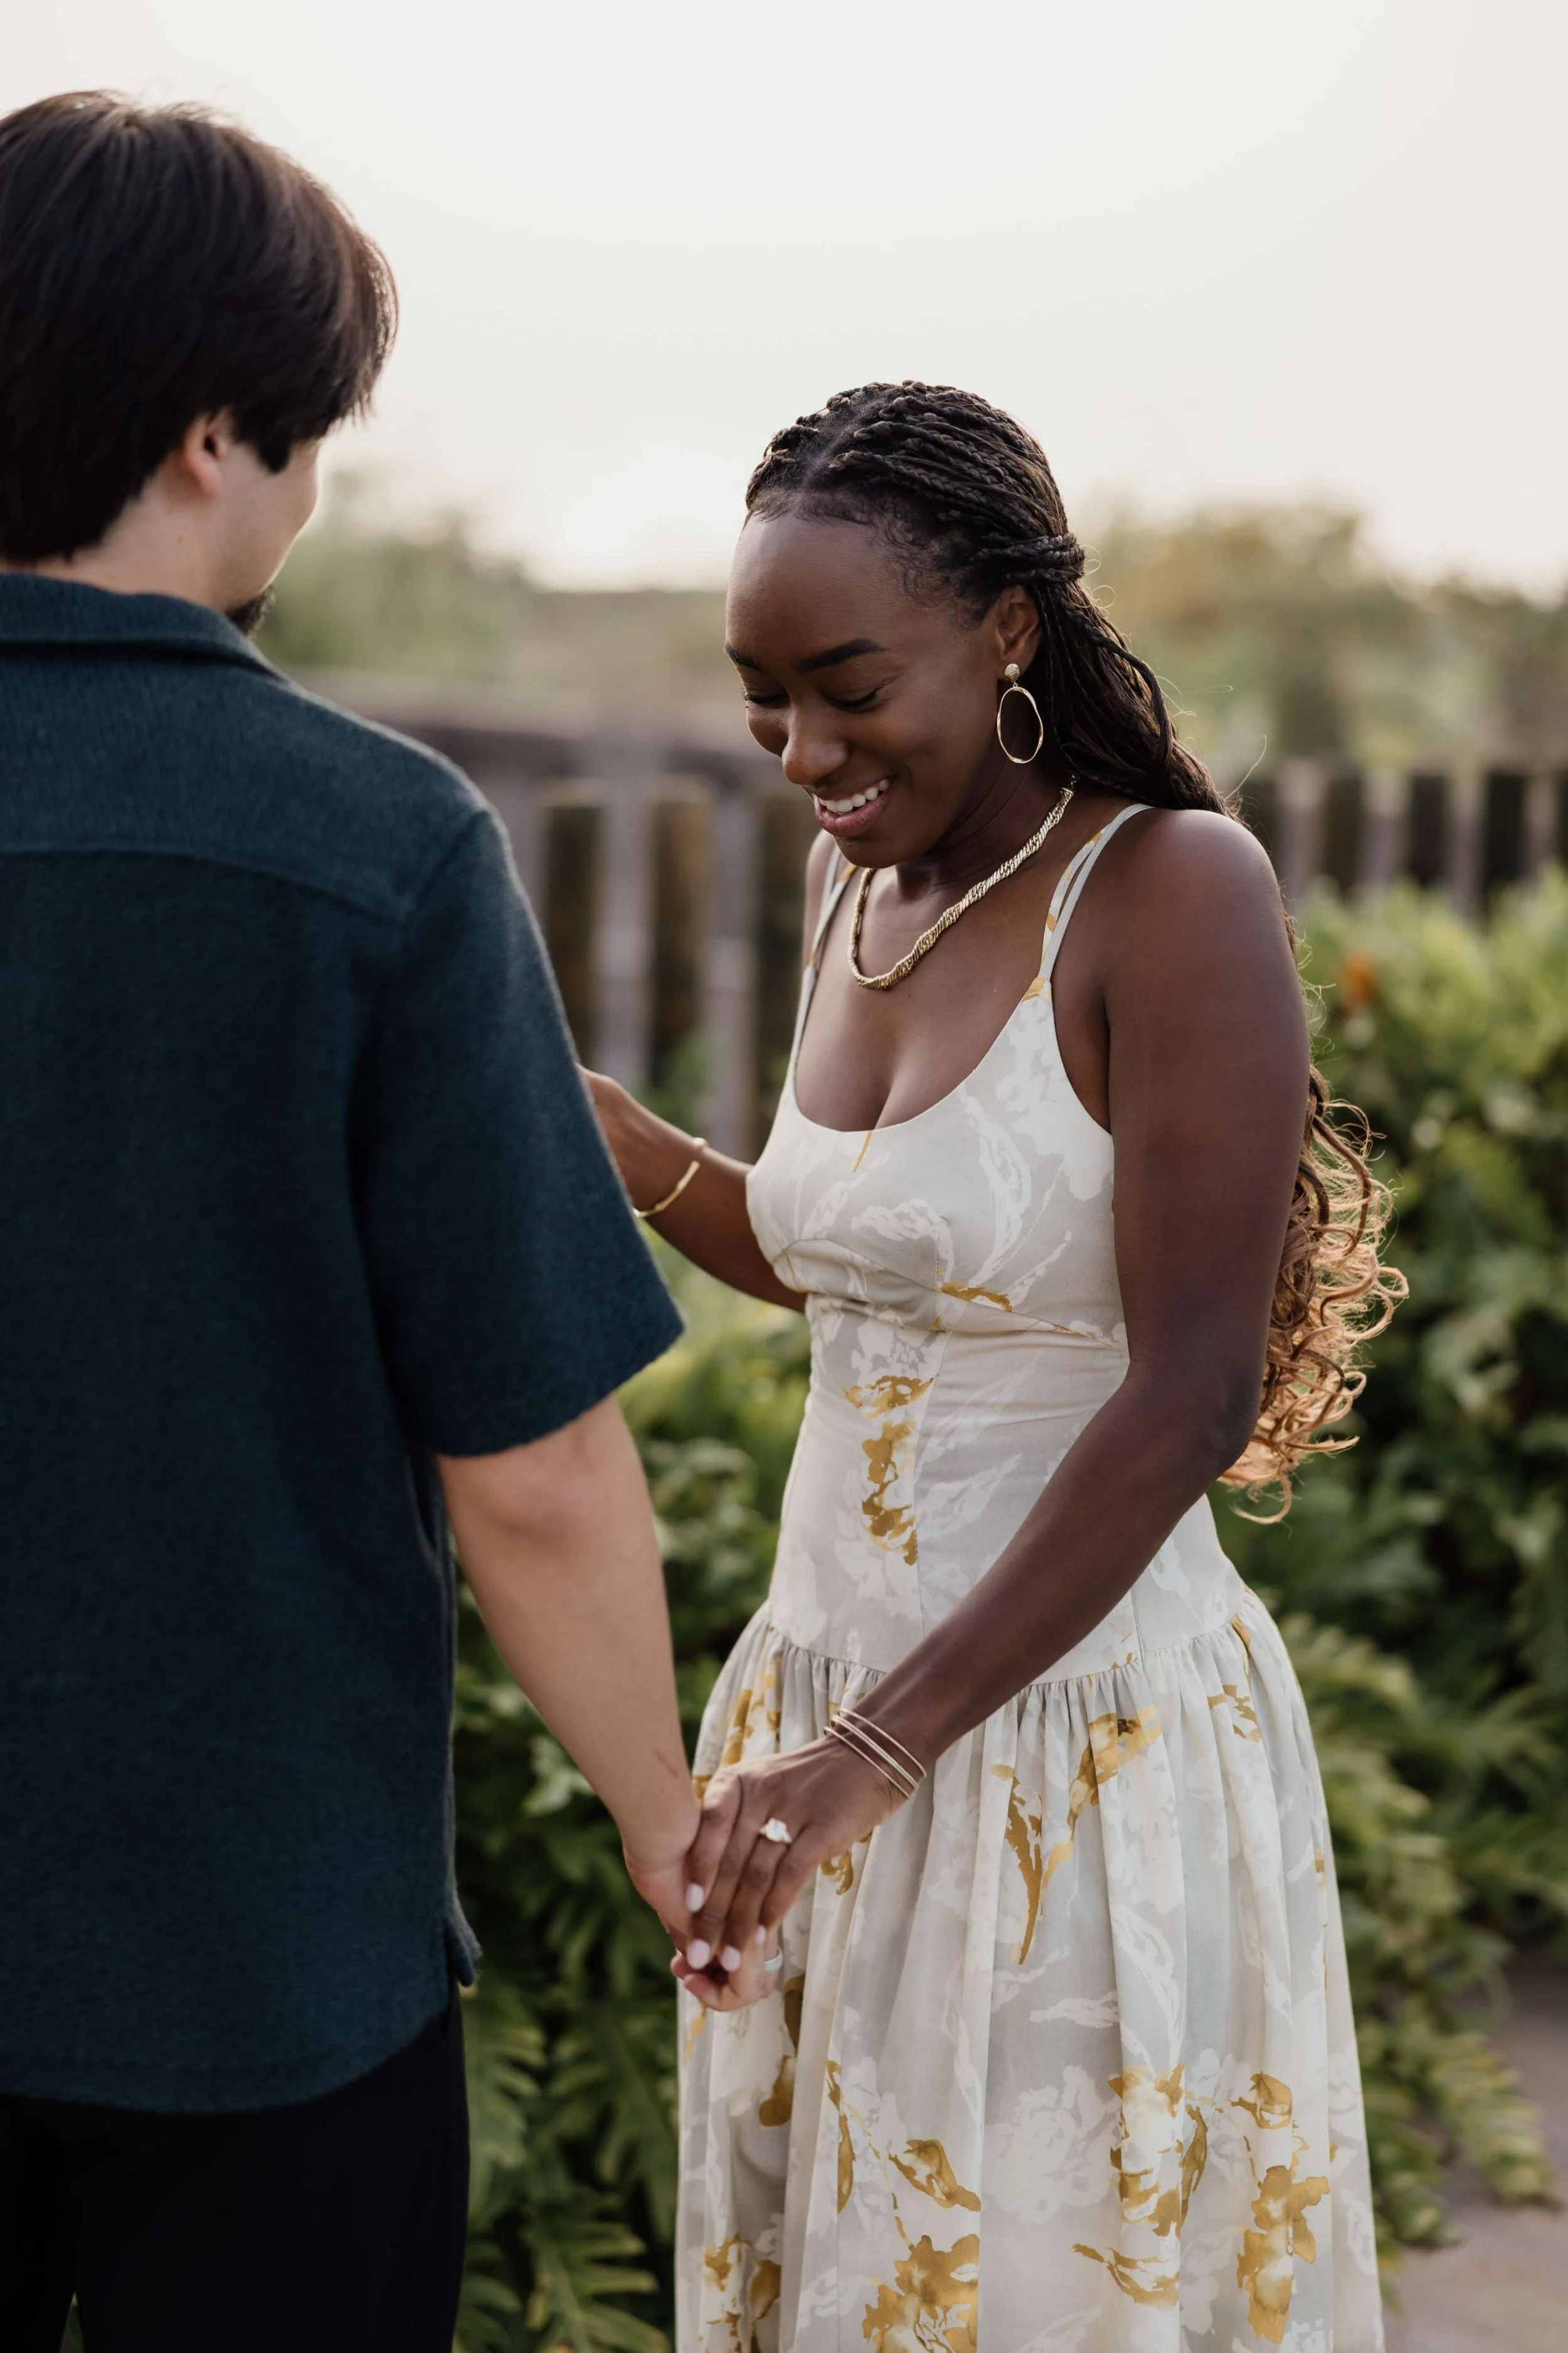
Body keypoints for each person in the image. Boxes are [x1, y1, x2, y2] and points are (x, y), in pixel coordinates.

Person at [587, 383, 1400, 2350]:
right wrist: (601, 1131)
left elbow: (1187, 1389)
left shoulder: (1171, 892)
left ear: (1011, 631)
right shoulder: (849, 882)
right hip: (813, 1717)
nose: (803, 752)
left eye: (847, 684)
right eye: (763, 695)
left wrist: (883, 1751)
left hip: (1064, 1740)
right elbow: (842, 1262)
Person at [0, 93, 696, 2353]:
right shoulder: (372, 846)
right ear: (216, 433)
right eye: (313, 431)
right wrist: (663, 1819)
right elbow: (536, 1471)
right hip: (264, 1962)